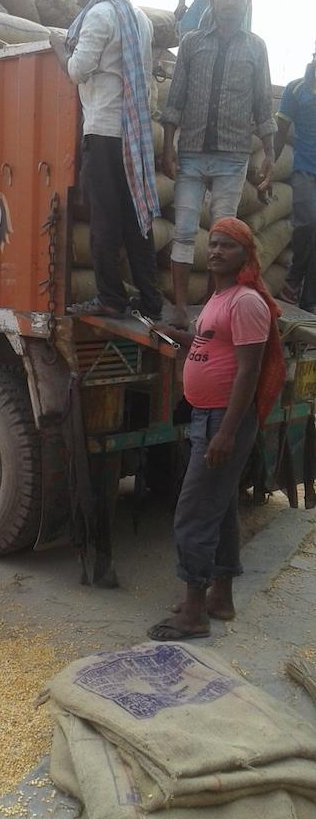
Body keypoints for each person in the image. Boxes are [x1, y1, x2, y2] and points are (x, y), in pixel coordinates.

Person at [148, 218, 286, 641]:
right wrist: (177, 338)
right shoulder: (218, 298)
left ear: (246, 255)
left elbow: (249, 370)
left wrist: (226, 432)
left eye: (228, 246)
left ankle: (193, 613)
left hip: (223, 419)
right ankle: (220, 597)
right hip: (207, 415)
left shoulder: (246, 302)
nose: (217, 251)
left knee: (192, 512)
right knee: (221, 505)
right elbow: (210, 345)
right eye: (214, 244)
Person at [161, 0, 276, 328]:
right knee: (182, 230)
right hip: (192, 152)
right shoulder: (193, 42)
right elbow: (175, 98)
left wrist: (270, 153)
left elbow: (262, 105)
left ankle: (214, 307)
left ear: (248, 1)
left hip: (232, 156)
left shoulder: (256, 47)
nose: (231, 2)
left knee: (223, 237)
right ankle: (181, 307)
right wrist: (168, 147)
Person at [49, 0, 163, 319]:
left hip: (102, 132)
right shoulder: (139, 19)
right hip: (133, 135)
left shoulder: (99, 15)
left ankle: (110, 298)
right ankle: (150, 300)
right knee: (136, 220)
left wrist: (58, 51)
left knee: (104, 220)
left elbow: (79, 70)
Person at [275, 51, 316, 311]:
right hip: (305, 169)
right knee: (307, 222)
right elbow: (279, 134)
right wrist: (269, 167)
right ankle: (293, 278)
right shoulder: (295, 89)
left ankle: (309, 298)